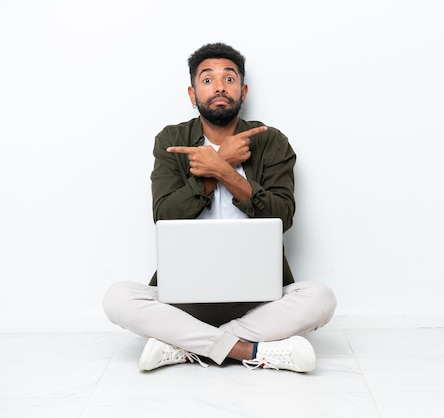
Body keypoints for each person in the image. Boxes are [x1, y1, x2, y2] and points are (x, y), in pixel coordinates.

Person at [103, 42, 336, 373]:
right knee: (117, 297)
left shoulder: (271, 141)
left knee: (321, 298)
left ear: (242, 90)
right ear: (192, 92)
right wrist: (216, 165)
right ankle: (249, 349)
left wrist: (224, 171)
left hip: (259, 299)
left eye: (229, 78)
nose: (219, 87)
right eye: (207, 79)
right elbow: (165, 216)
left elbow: (282, 216)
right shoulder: (171, 139)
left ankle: (184, 345)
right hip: (186, 299)